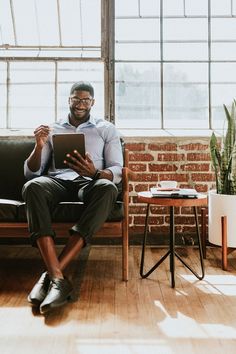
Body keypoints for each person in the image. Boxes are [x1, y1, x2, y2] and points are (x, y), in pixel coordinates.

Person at [22, 81, 123, 315]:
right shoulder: (53, 128)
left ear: (93, 103)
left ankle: (51, 274)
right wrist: (38, 147)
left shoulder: (106, 129)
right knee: (33, 186)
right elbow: (32, 172)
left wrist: (95, 173)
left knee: (107, 188)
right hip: (57, 181)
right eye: (76, 99)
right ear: (68, 100)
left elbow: (117, 169)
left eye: (85, 100)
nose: (80, 104)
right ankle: (58, 277)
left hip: (89, 182)